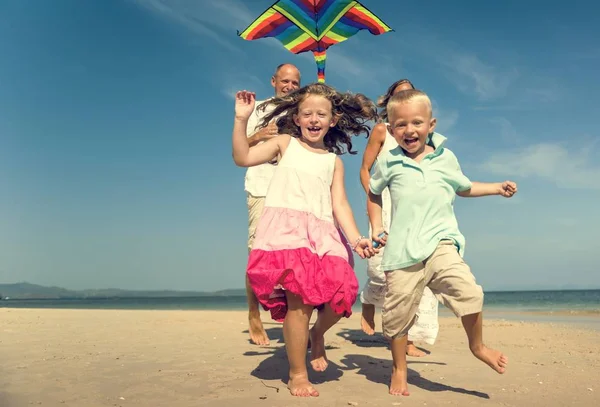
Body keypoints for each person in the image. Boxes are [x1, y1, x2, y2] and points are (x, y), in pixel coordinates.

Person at [367, 89, 515, 396]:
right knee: (396, 317)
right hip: (402, 251)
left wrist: (496, 187)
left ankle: (477, 346)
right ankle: (399, 367)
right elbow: (373, 192)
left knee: (470, 292)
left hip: (441, 243)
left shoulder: (446, 158)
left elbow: (464, 186)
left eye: (417, 122)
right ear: (392, 130)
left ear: (431, 124)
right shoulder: (388, 162)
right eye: (401, 125)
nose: (410, 130)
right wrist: (376, 226)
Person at [232, 83, 377, 397]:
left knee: (344, 292)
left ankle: (317, 333)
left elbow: (340, 204)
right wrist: (242, 119)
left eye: (321, 114)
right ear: (295, 118)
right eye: (307, 113)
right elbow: (242, 157)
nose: (314, 119)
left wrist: (356, 239)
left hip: (323, 234)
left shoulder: (333, 162)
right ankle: (298, 373)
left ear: (333, 120)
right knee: (299, 304)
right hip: (287, 234)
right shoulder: (284, 144)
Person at [359, 79, 440, 356]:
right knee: (383, 269)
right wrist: (375, 198)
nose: (406, 95)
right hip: (386, 203)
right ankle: (369, 300)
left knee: (420, 267)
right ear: (391, 101)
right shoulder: (383, 130)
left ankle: (410, 337)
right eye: (400, 93)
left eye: (411, 91)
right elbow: (365, 169)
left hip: (415, 205)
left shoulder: (421, 134)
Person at [243, 64, 301, 346]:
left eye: (294, 82)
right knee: (257, 253)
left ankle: (296, 322)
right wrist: (258, 136)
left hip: (294, 191)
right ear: (274, 81)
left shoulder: (304, 110)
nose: (289, 86)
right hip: (262, 186)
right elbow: (239, 145)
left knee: (295, 256)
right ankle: (254, 314)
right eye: (285, 81)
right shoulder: (259, 108)